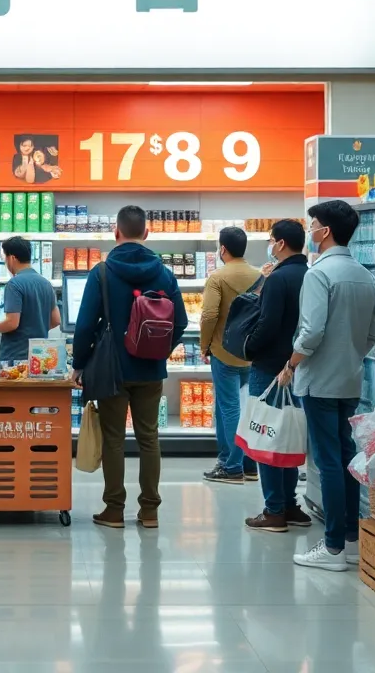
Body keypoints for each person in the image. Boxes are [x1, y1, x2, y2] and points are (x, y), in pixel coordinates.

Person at [71, 205, 188, 529]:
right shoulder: (164, 273)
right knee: (149, 437)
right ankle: (149, 510)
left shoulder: (102, 272)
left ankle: (114, 509)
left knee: (114, 439)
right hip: (150, 368)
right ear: (147, 233)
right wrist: (159, 349)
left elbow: (83, 326)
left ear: (116, 232)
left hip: (112, 368)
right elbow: (181, 321)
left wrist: (79, 365)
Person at [279, 200, 375, 571]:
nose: (311, 231)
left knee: (327, 462)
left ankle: (333, 546)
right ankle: (351, 539)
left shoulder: (318, 274)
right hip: (350, 380)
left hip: (318, 381)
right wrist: (350, 355)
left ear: (325, 232)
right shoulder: (363, 274)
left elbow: (311, 331)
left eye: (314, 225)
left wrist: (291, 363)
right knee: (345, 459)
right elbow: (372, 333)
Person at [240, 219, 312, 532]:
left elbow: (266, 324)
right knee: (288, 435)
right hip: (299, 366)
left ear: (280, 244)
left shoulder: (279, 278)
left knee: (267, 434)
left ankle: (273, 511)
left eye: (272, 240)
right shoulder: (310, 274)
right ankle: (290, 504)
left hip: (270, 367)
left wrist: (248, 348)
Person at [198, 226, 261, 484]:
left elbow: (210, 315)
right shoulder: (259, 276)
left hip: (223, 352)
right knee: (247, 407)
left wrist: (204, 345)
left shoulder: (218, 277)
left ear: (222, 249)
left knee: (228, 408)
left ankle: (231, 466)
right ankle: (249, 464)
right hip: (250, 351)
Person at [0, 236, 60, 365]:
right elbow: (56, 320)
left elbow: (12, 323)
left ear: (12, 258)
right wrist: (36, 329)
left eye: (5, 259)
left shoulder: (14, 284)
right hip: (39, 356)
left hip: (16, 357)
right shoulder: (46, 283)